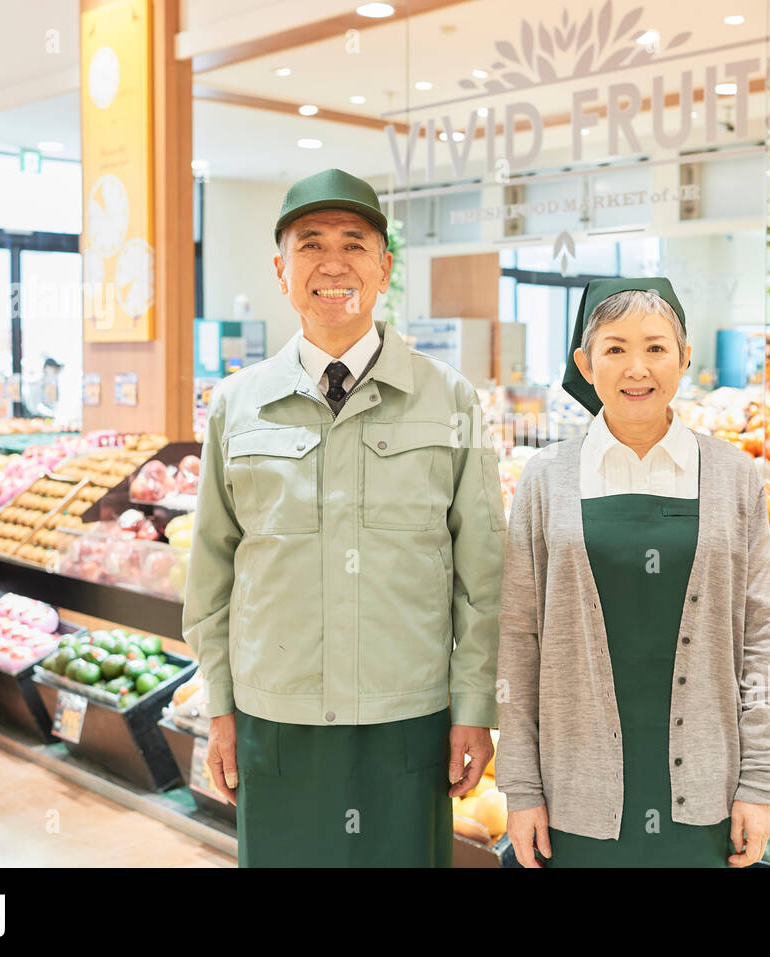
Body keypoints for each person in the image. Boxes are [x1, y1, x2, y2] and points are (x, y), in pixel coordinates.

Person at [182, 168, 506, 867]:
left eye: (355, 244)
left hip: (408, 722)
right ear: (281, 271)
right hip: (276, 719)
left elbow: (482, 573)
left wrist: (475, 704)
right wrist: (220, 703)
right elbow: (211, 568)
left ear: (384, 266)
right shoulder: (237, 406)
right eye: (310, 245)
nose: (334, 263)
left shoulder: (447, 399)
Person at [495, 278, 770, 868]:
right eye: (615, 348)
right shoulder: (547, 479)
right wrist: (521, 789)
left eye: (655, 347)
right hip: (574, 791)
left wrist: (758, 781)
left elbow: (760, 640)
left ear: (684, 358)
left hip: (706, 789)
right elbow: (518, 642)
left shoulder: (733, 476)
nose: (637, 368)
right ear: (585, 361)